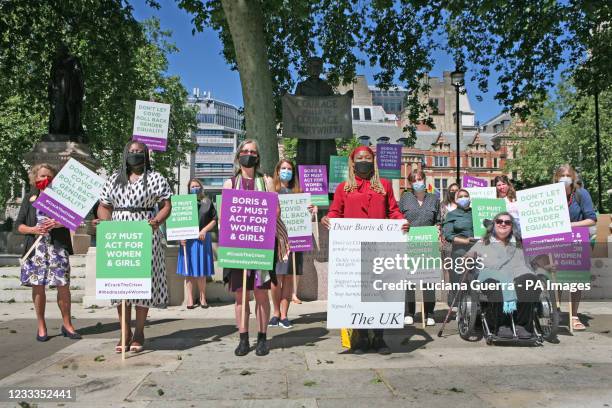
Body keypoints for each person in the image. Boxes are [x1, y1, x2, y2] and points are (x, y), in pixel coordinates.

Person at [321, 146, 409, 355]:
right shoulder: (344, 188)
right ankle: (360, 337)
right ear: (353, 162)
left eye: (367, 158)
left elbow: (393, 211)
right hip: (353, 250)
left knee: (378, 291)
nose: (363, 161)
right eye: (359, 158)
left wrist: (402, 223)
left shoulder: (384, 185)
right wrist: (328, 219)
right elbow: (335, 212)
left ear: (373, 161)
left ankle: (379, 337)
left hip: (380, 250)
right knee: (358, 294)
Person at [98, 141, 173, 353]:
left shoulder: (156, 178)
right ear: (125, 154)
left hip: (146, 232)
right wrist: (105, 224)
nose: (135, 155)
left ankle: (139, 331)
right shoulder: (113, 178)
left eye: (139, 152)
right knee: (122, 284)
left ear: (146, 155)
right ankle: (124, 331)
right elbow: (104, 206)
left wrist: (157, 221)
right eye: (131, 151)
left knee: (142, 284)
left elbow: (166, 205)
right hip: (119, 235)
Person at [222, 139, 289, 357]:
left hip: (261, 244)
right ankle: (243, 338)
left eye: (253, 152)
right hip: (238, 245)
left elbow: (276, 210)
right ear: (238, 155)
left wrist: (261, 214)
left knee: (261, 293)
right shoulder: (230, 184)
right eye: (245, 151)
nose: (249, 154)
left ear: (257, 157)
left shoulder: (267, 181)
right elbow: (225, 217)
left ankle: (261, 337)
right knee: (241, 295)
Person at [16, 163, 81, 342]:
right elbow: (19, 225)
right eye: (41, 176)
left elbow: (74, 220)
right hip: (35, 249)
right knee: (38, 287)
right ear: (34, 179)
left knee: (63, 286)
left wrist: (57, 223)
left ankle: (67, 324)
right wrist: (34, 229)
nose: (45, 179)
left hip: (57, 247)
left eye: (48, 176)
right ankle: (41, 326)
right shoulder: (30, 197)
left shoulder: (61, 197)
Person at [465, 212, 541, 339]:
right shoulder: (483, 243)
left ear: (512, 226)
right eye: (499, 221)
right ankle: (501, 325)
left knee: (530, 281)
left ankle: (522, 325)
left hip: (518, 273)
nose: (503, 224)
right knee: (495, 284)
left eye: (507, 222)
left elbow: (537, 260)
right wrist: (467, 260)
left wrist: (548, 264)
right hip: (491, 274)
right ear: (493, 225)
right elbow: (467, 257)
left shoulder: (520, 243)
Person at [269, 159, 316, 329]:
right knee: (276, 279)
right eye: (283, 168)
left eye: (289, 169)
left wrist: (312, 211)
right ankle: (275, 313)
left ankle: (284, 315)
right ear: (277, 170)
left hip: (294, 240)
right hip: (276, 241)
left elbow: (305, 218)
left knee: (289, 278)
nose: (286, 171)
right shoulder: (271, 191)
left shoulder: (299, 192)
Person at [553, 164, 597, 331]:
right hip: (556, 241)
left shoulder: (581, 194)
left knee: (575, 281)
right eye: (561, 175)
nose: (565, 177)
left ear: (573, 178)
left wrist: (570, 225)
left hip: (576, 241)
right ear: (556, 178)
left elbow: (591, 219)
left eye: (568, 175)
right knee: (555, 279)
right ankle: (555, 312)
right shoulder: (551, 195)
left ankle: (573, 315)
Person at [399, 169, 440, 326]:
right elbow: (398, 218)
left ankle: (429, 313)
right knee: (409, 280)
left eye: (420, 179)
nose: (418, 182)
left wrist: (438, 227)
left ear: (425, 180)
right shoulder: (405, 198)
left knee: (428, 280)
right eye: (414, 180)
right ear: (410, 184)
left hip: (428, 243)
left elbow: (439, 220)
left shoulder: (434, 199)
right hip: (409, 242)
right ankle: (409, 312)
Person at [177, 178, 217, 309]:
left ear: (201, 187)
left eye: (197, 186)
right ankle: (190, 299)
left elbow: (214, 219)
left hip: (202, 239)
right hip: (187, 241)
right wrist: (179, 238)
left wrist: (204, 230)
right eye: (192, 186)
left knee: (201, 271)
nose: (194, 188)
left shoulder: (207, 202)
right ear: (188, 189)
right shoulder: (182, 203)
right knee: (189, 271)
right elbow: (176, 222)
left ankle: (202, 297)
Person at [442, 188, 477, 306]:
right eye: (460, 196)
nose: (463, 198)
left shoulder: (477, 212)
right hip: (459, 252)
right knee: (459, 282)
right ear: (456, 200)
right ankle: (460, 310)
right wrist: (465, 241)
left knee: (476, 281)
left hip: (478, 252)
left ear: (470, 198)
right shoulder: (452, 215)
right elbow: (448, 235)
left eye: (466, 196)